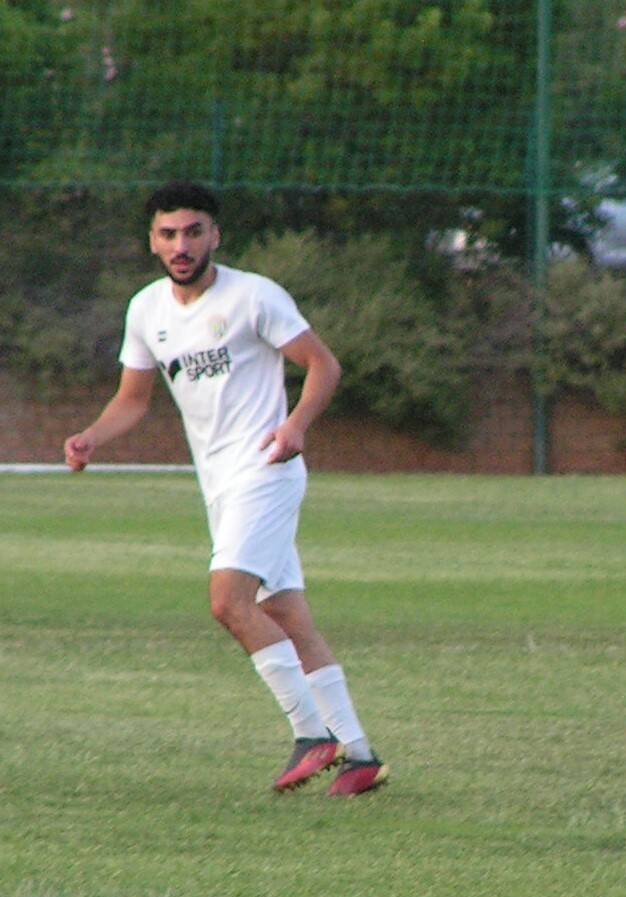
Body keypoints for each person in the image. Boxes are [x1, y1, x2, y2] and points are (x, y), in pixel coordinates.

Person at [64, 181, 388, 797]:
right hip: (219, 484)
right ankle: (362, 756)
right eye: (168, 234)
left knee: (227, 603)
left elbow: (324, 365)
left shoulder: (254, 297)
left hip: (265, 470)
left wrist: (296, 425)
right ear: (152, 242)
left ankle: (312, 735)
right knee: (285, 613)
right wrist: (92, 436)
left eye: (192, 231)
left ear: (215, 235)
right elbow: (133, 399)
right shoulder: (147, 311)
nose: (181, 245)